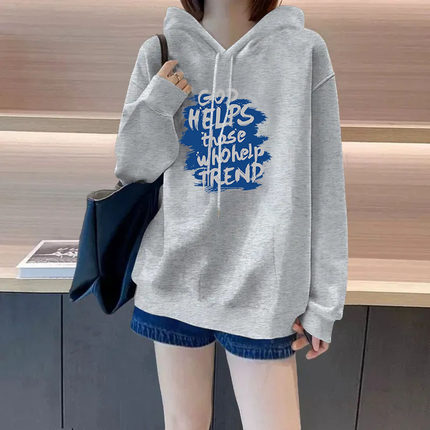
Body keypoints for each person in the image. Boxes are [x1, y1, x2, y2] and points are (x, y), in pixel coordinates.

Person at [114, 0, 348, 428]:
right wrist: (160, 101)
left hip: (265, 290)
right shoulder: (162, 50)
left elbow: (326, 180)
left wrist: (324, 301)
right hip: (175, 277)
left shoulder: (302, 52)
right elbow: (133, 169)